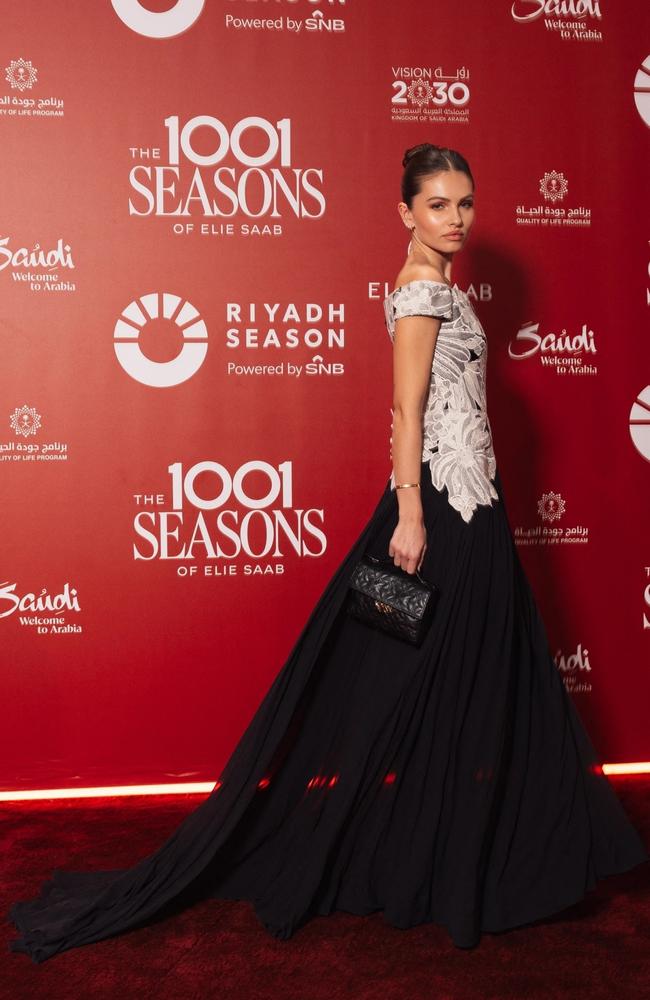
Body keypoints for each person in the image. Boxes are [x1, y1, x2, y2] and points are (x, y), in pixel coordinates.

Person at [7, 143, 648, 963]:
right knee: (429, 679)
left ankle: (459, 864)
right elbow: (405, 411)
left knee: (466, 683)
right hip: (445, 509)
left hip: (476, 502)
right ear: (406, 212)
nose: (455, 220)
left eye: (465, 205)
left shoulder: (439, 284)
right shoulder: (420, 292)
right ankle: (442, 871)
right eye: (439, 205)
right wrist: (410, 515)